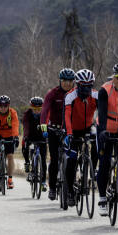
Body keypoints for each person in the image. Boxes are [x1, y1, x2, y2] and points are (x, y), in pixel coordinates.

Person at [95, 61, 118, 216]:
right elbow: (102, 113)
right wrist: (103, 130)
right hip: (106, 127)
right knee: (104, 162)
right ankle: (103, 198)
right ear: (113, 77)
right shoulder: (105, 90)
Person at [63, 69, 98, 207]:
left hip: (89, 127)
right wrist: (70, 134)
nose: (87, 88)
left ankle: (92, 170)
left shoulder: (95, 95)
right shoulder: (70, 96)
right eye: (83, 86)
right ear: (77, 85)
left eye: (89, 85)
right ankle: (70, 191)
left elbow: (102, 111)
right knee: (71, 159)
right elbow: (67, 116)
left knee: (97, 142)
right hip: (74, 129)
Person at [40, 68, 75, 200]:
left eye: (70, 81)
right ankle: (53, 187)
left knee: (72, 159)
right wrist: (43, 123)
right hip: (54, 130)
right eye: (64, 80)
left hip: (69, 131)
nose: (67, 83)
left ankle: (71, 187)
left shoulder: (75, 93)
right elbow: (45, 109)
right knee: (54, 160)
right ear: (60, 81)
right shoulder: (53, 93)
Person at [0, 95, 20, 189]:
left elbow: (15, 125)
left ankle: (10, 179)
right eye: (1, 106)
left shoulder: (12, 113)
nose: (3, 108)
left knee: (10, 156)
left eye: (5, 106)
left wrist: (16, 137)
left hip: (9, 135)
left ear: (8, 105)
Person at [22, 96, 47, 191]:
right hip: (31, 136)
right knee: (24, 145)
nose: (36, 111)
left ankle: (43, 182)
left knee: (43, 160)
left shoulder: (45, 114)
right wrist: (26, 137)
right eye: (34, 109)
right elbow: (26, 126)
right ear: (31, 108)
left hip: (42, 138)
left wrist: (47, 135)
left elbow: (47, 124)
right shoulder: (27, 114)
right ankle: (27, 162)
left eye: (39, 109)